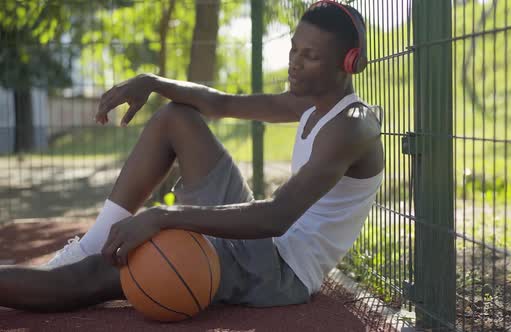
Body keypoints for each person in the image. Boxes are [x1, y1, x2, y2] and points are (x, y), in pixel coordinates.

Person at [0, 1, 383, 312]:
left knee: (98, 275)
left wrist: (164, 216)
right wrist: (153, 82)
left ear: (349, 63)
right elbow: (221, 103)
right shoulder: (309, 102)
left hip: (278, 272)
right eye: (293, 49)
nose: (295, 62)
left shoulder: (351, 126)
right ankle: (93, 243)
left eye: (310, 56)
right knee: (176, 118)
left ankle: (85, 264)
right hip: (264, 245)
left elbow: (276, 216)